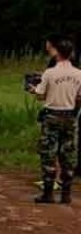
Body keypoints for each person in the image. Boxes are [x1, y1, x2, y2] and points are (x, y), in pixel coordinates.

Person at [28, 38, 81, 204]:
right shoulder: (79, 74)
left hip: (52, 116)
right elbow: (80, 97)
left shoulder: (50, 73)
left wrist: (33, 89)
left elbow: (40, 95)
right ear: (71, 53)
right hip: (70, 117)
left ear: (57, 52)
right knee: (67, 155)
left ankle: (48, 193)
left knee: (48, 154)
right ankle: (66, 194)